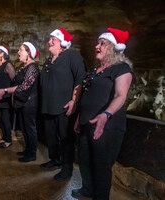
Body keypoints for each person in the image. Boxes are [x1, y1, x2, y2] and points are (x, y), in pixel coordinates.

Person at [71, 28, 134, 200]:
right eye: (97, 43)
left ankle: (100, 197)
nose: (96, 46)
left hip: (108, 127)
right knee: (84, 159)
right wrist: (79, 118)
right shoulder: (95, 70)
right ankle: (87, 189)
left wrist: (105, 114)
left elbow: (120, 96)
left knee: (101, 165)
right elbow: (87, 95)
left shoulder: (122, 69)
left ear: (114, 48)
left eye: (102, 43)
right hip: (86, 123)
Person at [40, 28, 86, 181]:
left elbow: (80, 79)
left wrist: (74, 100)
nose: (49, 41)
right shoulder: (48, 61)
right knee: (51, 136)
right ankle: (54, 160)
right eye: (50, 38)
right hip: (48, 107)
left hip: (64, 107)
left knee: (66, 139)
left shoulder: (72, 56)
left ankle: (67, 168)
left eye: (54, 39)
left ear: (63, 43)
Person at [0, 42, 39, 162]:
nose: (18, 52)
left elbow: (24, 86)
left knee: (30, 128)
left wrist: (5, 90)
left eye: (21, 50)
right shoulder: (25, 67)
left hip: (30, 104)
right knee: (24, 128)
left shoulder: (32, 67)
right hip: (23, 103)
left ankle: (32, 154)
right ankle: (28, 150)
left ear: (28, 52)